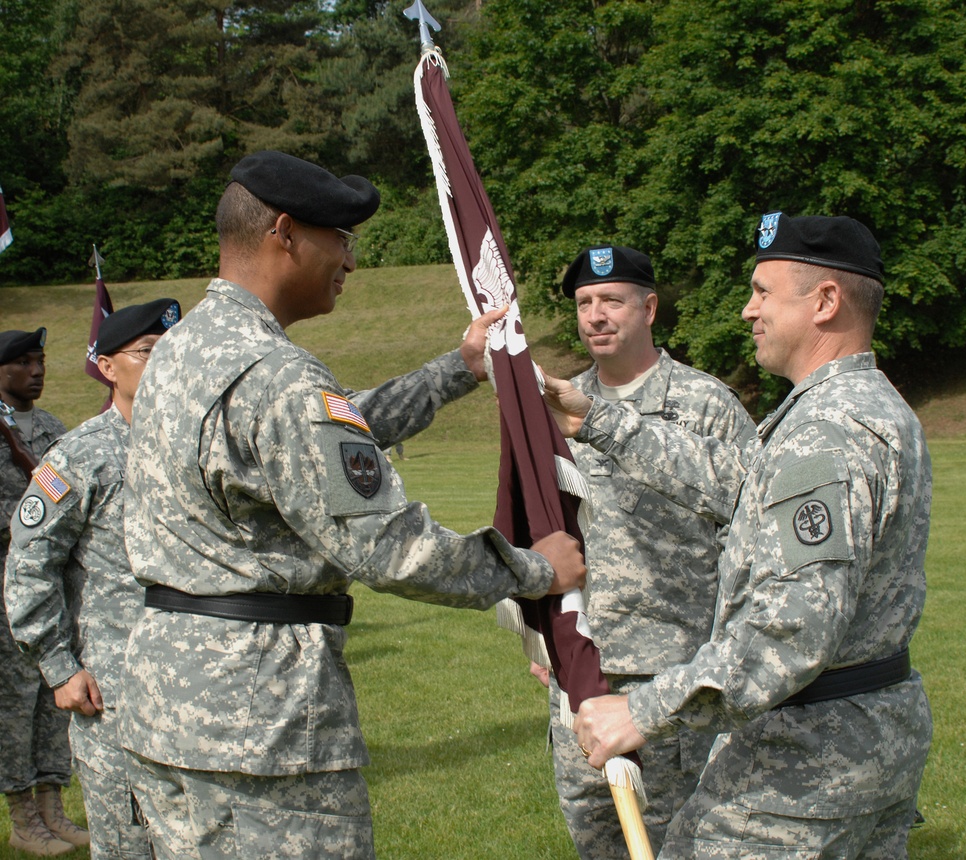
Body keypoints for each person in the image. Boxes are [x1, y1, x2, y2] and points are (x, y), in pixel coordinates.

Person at [119, 150, 587, 859]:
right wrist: (531, 570)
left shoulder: (183, 351)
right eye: (340, 236)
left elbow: (316, 446)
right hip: (262, 725)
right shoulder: (275, 376)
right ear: (284, 232)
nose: (351, 260)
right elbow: (388, 546)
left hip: (168, 707)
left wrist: (455, 371)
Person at [546, 213, 932, 858]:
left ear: (826, 301)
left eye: (763, 292)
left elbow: (789, 631)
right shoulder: (870, 407)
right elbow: (729, 480)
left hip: (806, 756)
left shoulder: (825, 433)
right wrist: (599, 421)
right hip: (869, 732)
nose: (748, 311)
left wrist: (643, 709)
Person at [535, 245, 753, 857]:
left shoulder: (705, 405)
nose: (596, 316)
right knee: (596, 839)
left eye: (612, 300)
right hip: (581, 665)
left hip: (674, 671)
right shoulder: (552, 407)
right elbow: (539, 526)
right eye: (584, 303)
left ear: (649, 308)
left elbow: (749, 525)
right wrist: (539, 636)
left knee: (678, 841)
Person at [5, 300, 181, 859]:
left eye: (174, 353)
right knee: (130, 842)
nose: (166, 365)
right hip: (114, 690)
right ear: (107, 367)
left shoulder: (197, 446)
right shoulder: (79, 456)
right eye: (148, 353)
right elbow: (30, 564)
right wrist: (58, 666)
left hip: (200, 682)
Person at [0, 328, 86, 856]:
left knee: (56, 686)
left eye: (41, 361)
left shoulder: (54, 429)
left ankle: (53, 804)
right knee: (14, 696)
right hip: (8, 577)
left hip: (55, 580)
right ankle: (21, 813)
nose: (37, 371)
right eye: (24, 363)